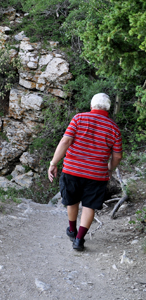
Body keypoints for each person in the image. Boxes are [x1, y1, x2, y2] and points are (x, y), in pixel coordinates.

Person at [48, 93, 122, 251]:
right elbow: (117, 156)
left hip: (72, 170)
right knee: (89, 205)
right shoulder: (114, 128)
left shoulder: (79, 119)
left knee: (72, 200)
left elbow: (66, 141)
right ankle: (79, 240)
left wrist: (54, 163)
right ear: (108, 108)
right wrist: (110, 169)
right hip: (97, 174)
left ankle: (72, 230)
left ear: (91, 106)